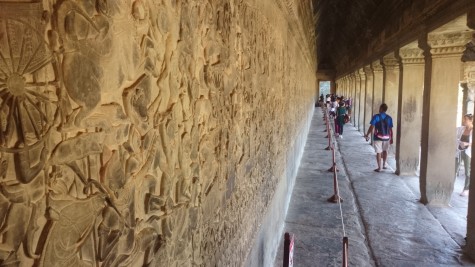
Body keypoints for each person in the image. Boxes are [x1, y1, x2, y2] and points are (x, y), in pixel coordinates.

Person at [364, 103, 393, 172]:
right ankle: (384, 164)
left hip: (378, 137)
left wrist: (367, 134)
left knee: (378, 152)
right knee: (385, 150)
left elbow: (372, 127)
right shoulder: (389, 118)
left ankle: (379, 167)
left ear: (381, 109)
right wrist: (391, 138)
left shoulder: (376, 116)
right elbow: (390, 129)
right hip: (386, 137)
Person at [455, 113, 473, 196]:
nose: (464, 121)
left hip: (468, 153)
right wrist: (460, 142)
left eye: (466, 119)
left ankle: (466, 189)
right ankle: (450, 186)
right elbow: (455, 136)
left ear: (471, 120)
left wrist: (467, 144)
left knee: (467, 171)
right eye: (464, 119)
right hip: (459, 151)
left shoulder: (473, 130)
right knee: (454, 169)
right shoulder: (461, 129)